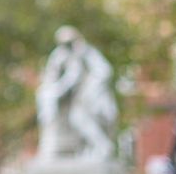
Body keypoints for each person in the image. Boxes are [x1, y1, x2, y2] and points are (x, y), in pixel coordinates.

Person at [36, 26, 117, 160]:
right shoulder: (59, 56)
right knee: (65, 115)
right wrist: (54, 91)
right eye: (64, 43)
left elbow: (104, 71)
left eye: (70, 42)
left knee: (79, 118)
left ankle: (102, 146)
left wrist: (90, 88)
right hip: (71, 100)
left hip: (90, 98)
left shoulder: (87, 53)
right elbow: (52, 77)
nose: (67, 46)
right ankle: (56, 147)